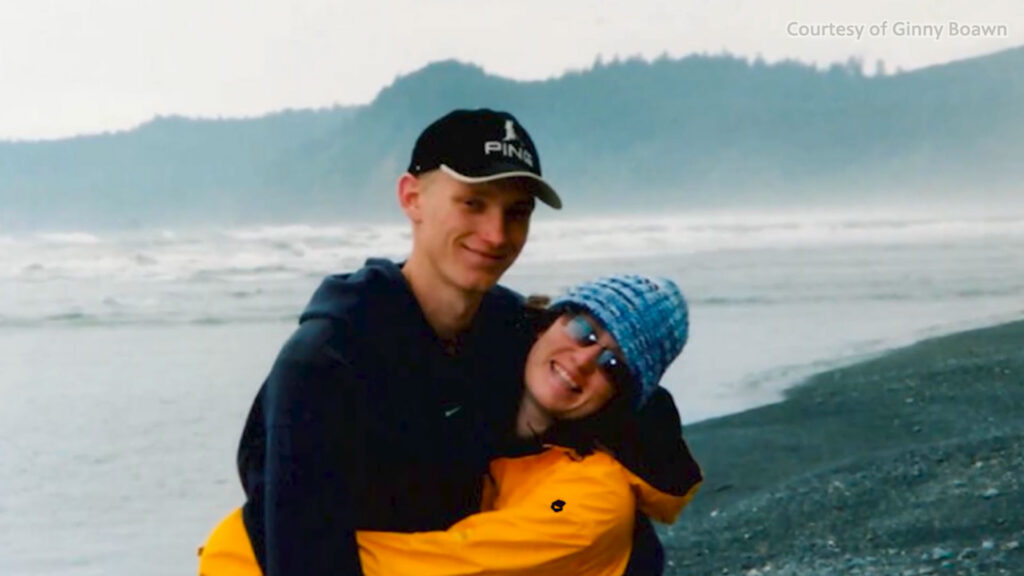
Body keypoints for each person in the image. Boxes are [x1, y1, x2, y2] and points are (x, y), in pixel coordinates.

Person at [209, 108, 680, 576]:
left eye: (516, 212)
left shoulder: (514, 333)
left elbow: (621, 375)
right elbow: (298, 553)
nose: (496, 235)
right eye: (473, 203)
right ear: (411, 198)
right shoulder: (325, 364)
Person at [200, 275, 702, 576]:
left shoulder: (584, 498)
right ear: (552, 319)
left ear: (622, 398)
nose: (585, 359)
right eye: (585, 330)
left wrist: (245, 545)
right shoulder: (485, 413)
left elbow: (445, 565)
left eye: (614, 365)